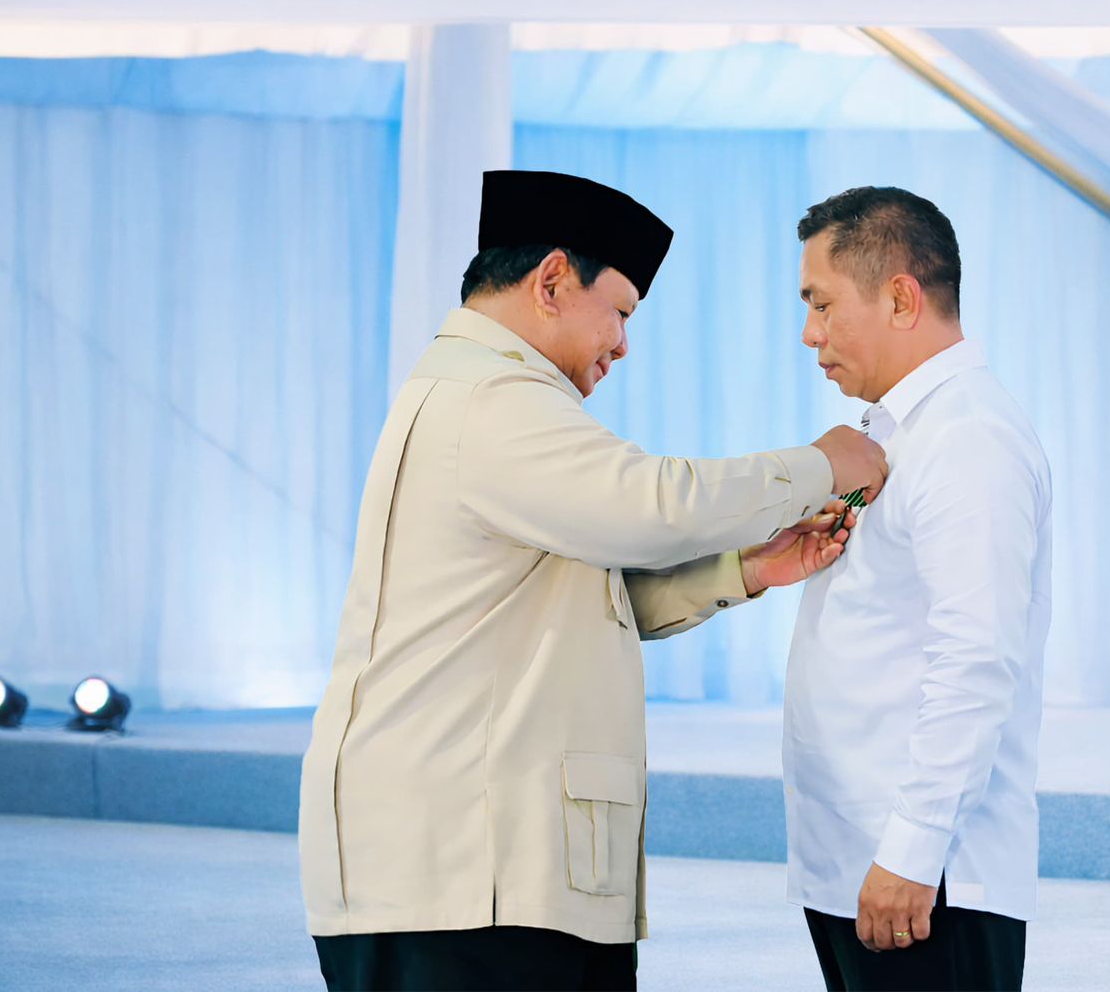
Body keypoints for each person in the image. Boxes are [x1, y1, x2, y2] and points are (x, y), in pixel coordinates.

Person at [297, 170, 887, 991]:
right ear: (551, 282)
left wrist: (748, 568)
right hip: (469, 884)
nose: (622, 344)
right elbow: (653, 505)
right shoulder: (493, 400)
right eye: (621, 311)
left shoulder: (474, 393)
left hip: (467, 878)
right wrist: (822, 464)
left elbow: (584, 593)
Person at [783, 186, 1053, 992]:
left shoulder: (969, 437)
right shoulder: (896, 430)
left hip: (927, 882)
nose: (810, 333)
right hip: (862, 862)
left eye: (822, 304)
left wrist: (912, 850)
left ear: (901, 298)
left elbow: (975, 660)